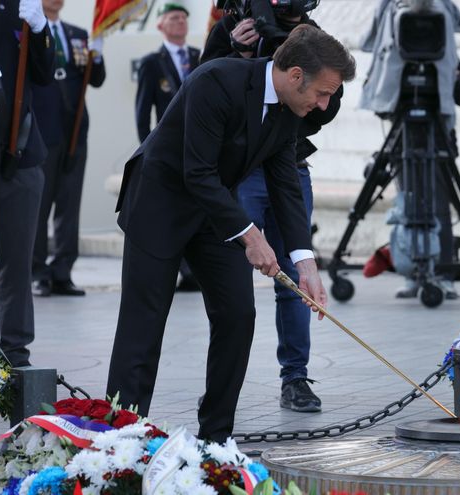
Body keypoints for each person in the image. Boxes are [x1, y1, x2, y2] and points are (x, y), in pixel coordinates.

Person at [106, 25, 355, 443]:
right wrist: (252, 236)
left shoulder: (288, 110)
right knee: (143, 324)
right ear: (295, 76)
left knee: (238, 314)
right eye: (324, 93)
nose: (324, 105)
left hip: (215, 214)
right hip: (160, 205)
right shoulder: (215, 81)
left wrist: (305, 261)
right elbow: (196, 172)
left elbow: (285, 181)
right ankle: (119, 435)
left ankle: (216, 435)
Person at [201, 0, 340, 412]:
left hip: (290, 164)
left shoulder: (313, 38)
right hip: (242, 173)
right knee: (231, 279)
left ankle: (295, 376)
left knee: (295, 274)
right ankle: (223, 385)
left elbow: (326, 107)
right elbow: (204, 86)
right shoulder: (232, 26)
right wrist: (239, 54)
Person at [360, 0, 460, 299]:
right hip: (403, 123)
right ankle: (414, 270)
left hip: (437, 126)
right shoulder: (393, 11)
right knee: (408, 198)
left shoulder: (441, 19)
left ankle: (443, 272)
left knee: (439, 202)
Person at [0, 0, 54, 367]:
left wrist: (40, 31)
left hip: (19, 154)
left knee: (18, 261)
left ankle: (17, 352)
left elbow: (44, 73)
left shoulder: (19, 7)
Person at [31, 0, 106, 298]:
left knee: (69, 204)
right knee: (39, 206)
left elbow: (96, 79)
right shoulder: (30, 30)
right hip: (41, 130)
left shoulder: (78, 34)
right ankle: (38, 272)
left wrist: (97, 54)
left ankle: (63, 271)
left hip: (75, 130)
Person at [134, 3, 200, 291]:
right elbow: (142, 111)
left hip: (199, 147)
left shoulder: (199, 57)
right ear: (160, 24)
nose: (180, 23)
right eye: (174, 18)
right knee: (171, 210)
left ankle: (193, 270)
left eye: (184, 18)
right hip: (169, 150)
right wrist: (148, 151)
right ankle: (179, 268)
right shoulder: (152, 62)